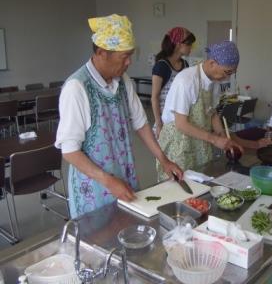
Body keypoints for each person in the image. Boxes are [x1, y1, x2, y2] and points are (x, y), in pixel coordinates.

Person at [55, 14, 182, 219]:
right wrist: (107, 180)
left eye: (130, 55)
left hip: (123, 175)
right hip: (94, 187)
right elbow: (70, 152)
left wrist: (164, 159)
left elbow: (141, 123)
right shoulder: (77, 88)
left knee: (128, 230)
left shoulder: (123, 81)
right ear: (102, 53)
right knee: (100, 240)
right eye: (124, 57)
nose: (129, 62)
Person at [156, 41, 244, 179]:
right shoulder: (186, 80)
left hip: (199, 140)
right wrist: (214, 140)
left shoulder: (214, 82)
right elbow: (181, 124)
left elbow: (212, 112)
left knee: (200, 182)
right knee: (180, 184)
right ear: (212, 63)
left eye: (232, 73)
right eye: (227, 72)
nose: (227, 77)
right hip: (179, 141)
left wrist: (222, 135)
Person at [151, 27, 194, 138]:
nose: (191, 48)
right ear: (179, 44)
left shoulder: (185, 64)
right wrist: (159, 123)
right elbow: (154, 97)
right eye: (189, 44)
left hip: (181, 119)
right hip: (165, 120)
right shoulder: (162, 66)